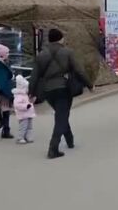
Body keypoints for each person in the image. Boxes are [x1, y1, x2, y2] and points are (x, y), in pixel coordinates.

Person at [29, 29, 93, 159]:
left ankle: (70, 140)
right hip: (63, 88)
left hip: (47, 90)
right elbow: (79, 70)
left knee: (61, 114)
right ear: (61, 39)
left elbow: (34, 76)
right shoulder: (67, 52)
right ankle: (53, 148)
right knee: (61, 116)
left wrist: (31, 92)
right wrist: (89, 84)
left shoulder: (41, 55)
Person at [12, 75, 36, 145]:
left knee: (29, 127)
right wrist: (26, 106)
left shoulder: (25, 95)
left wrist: (32, 101)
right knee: (23, 126)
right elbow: (17, 105)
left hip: (28, 113)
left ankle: (28, 136)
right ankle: (20, 138)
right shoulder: (19, 96)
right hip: (23, 114)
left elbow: (29, 102)